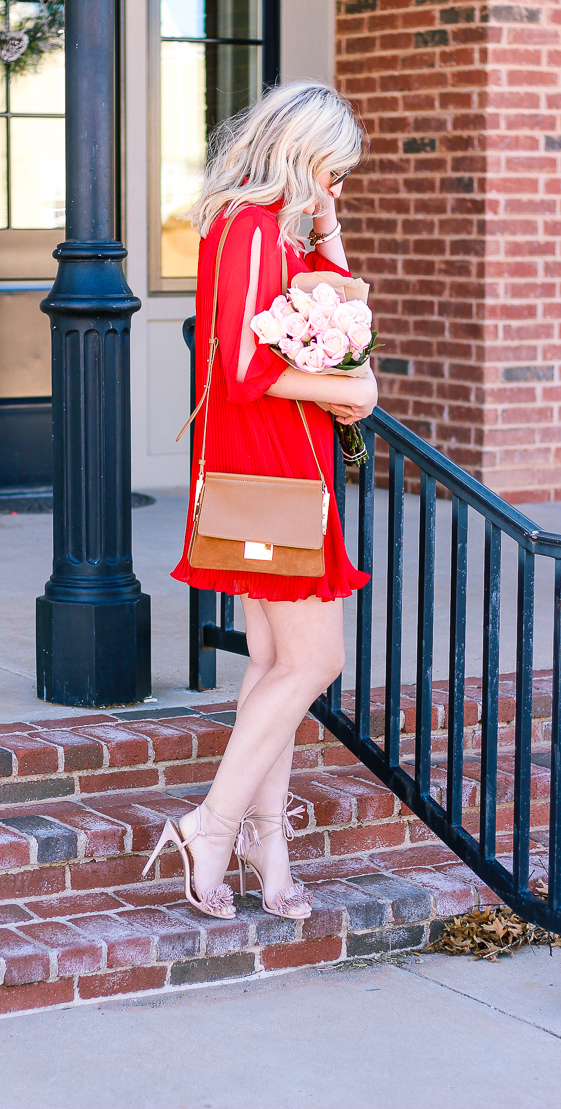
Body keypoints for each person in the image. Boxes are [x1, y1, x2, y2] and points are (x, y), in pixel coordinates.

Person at [153, 81, 378, 920]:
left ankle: (263, 841)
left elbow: (344, 306)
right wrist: (339, 391)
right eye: (333, 171)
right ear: (301, 153)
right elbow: (245, 370)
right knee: (316, 662)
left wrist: (328, 224)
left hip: (281, 461)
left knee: (275, 663)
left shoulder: (275, 230)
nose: (337, 186)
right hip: (270, 462)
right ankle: (210, 827)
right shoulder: (248, 230)